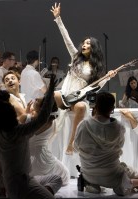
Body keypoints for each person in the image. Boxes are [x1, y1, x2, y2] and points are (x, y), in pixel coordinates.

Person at [50, 3, 117, 155]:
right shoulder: (75, 57)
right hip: (66, 93)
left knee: (81, 107)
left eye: (88, 43)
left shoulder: (97, 68)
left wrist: (108, 77)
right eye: (84, 43)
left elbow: (96, 87)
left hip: (78, 97)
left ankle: (72, 142)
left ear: (94, 48)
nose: (84, 45)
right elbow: (67, 39)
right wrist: (58, 19)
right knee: (53, 95)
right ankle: (43, 131)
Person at [0, 75, 62, 199]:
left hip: (13, 181)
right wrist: (51, 89)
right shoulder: (18, 132)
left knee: (56, 179)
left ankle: (33, 198)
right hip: (21, 183)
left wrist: (1, 183)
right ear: (11, 115)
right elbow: (43, 117)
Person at [74, 91, 138, 195]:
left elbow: (76, 147)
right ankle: (129, 183)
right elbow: (119, 149)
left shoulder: (83, 125)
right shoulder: (119, 128)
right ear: (112, 109)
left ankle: (92, 184)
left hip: (88, 174)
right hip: (113, 176)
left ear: (95, 106)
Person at [29, 96, 70, 186]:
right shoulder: (51, 120)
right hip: (43, 155)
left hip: (32, 157)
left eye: (37, 100)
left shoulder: (34, 120)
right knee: (64, 174)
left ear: (42, 108)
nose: (35, 99)